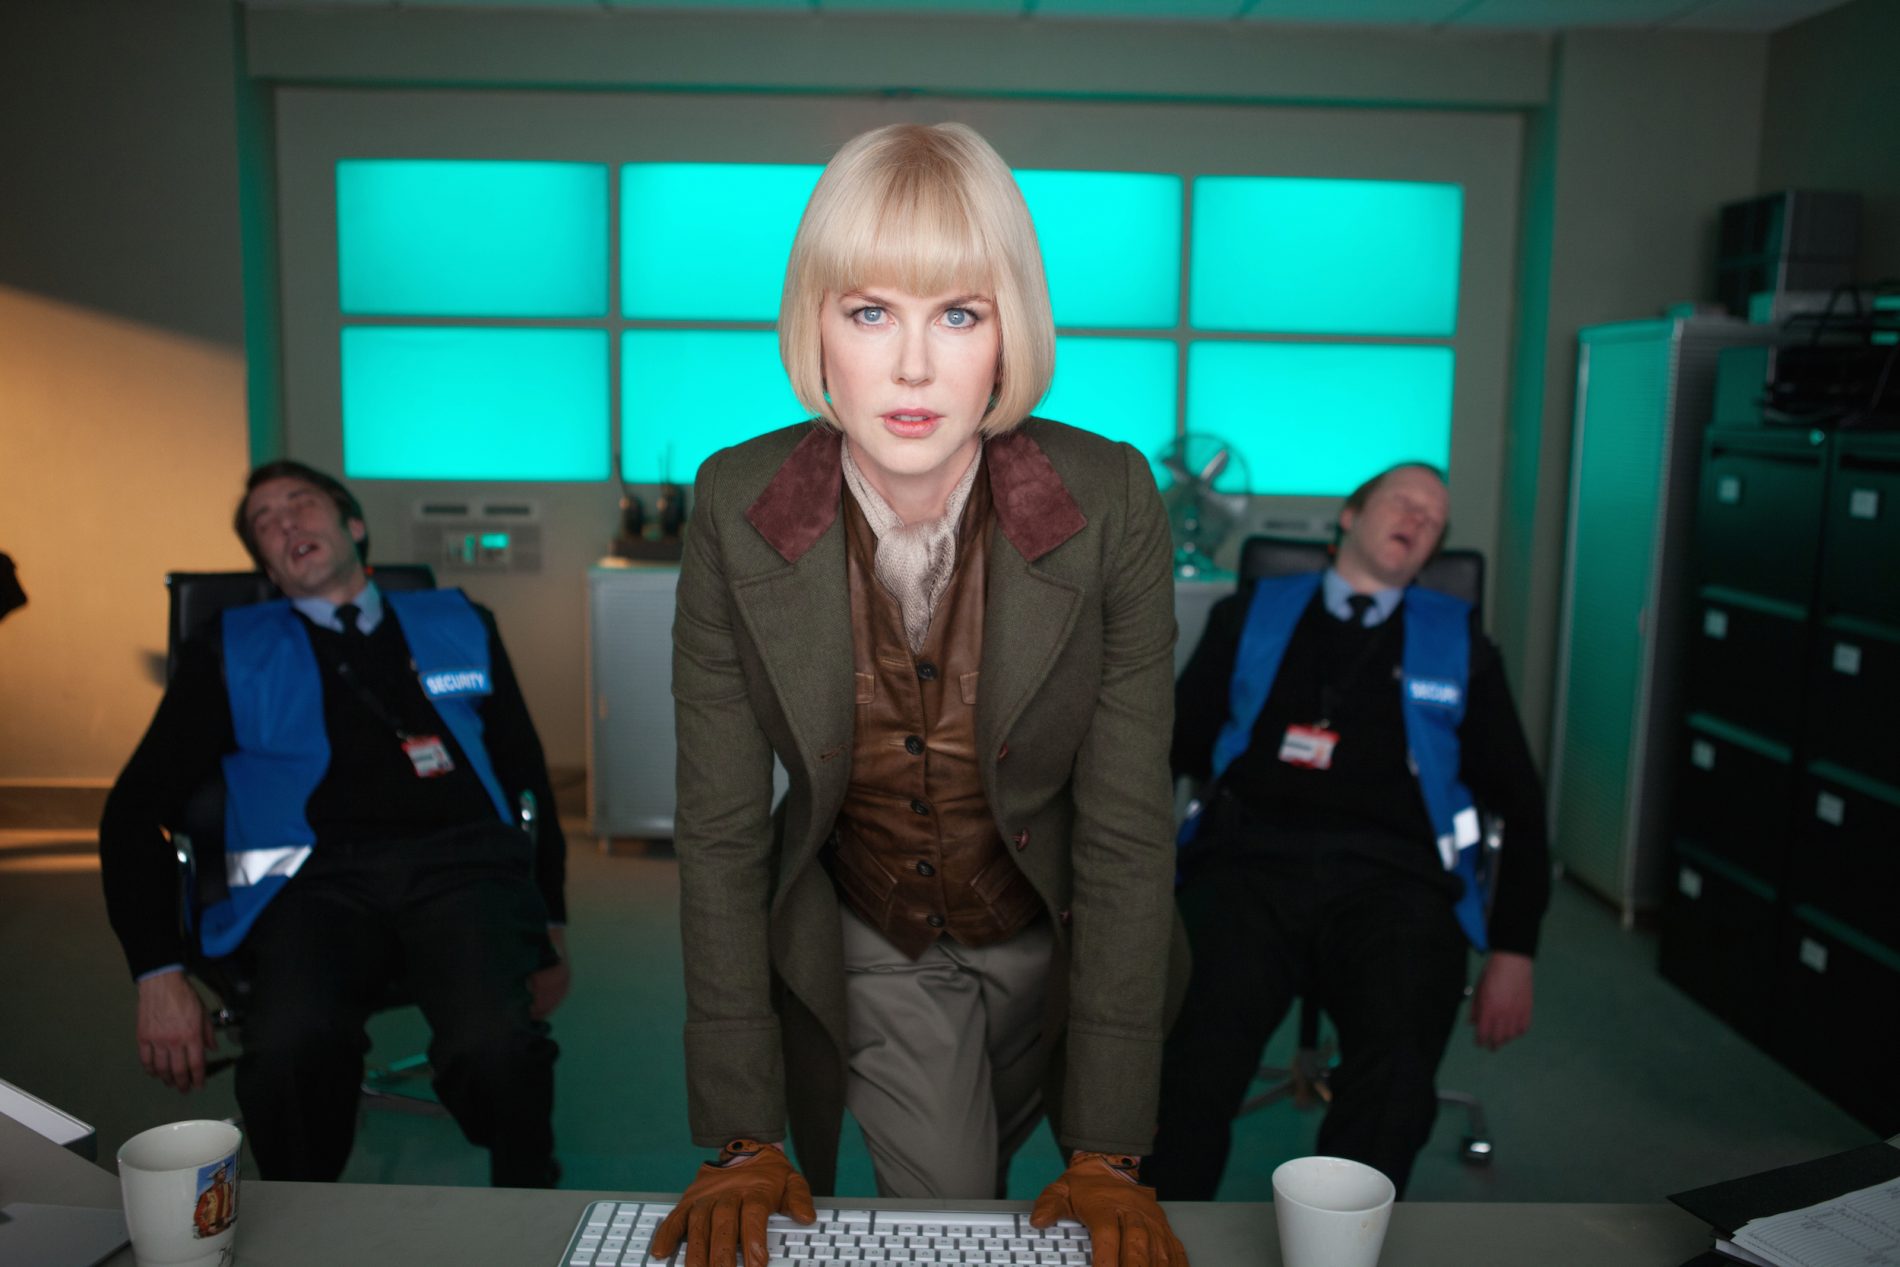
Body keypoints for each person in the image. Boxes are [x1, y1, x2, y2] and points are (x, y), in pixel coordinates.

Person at [657, 122, 1187, 1267]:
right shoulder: (733, 504)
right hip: (875, 936)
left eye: (957, 314)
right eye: (868, 313)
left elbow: (1129, 830)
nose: (911, 367)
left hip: (1062, 922)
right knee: (950, 1208)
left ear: (1010, 331)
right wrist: (743, 1130)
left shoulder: (1111, 499)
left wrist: (1108, 1147)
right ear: (815, 326)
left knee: (1087, 1178)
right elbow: (718, 831)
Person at [99, 459, 569, 1187]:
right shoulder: (230, 649)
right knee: (290, 1048)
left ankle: (530, 1190)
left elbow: (525, 774)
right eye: (265, 522)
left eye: (302, 503)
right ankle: (303, 1214)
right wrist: (157, 971)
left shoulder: (460, 623)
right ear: (268, 565)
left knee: (496, 1049)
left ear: (353, 525)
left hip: (463, 870)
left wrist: (551, 920)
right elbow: (131, 812)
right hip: (312, 885)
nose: (286, 521)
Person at [1146, 462, 1550, 1200]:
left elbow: (1520, 802)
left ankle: (1340, 1238)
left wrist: (1514, 949)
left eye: (1434, 520)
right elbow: (1168, 752)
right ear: (1350, 516)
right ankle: (1161, 1228)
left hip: (1396, 880)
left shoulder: (1458, 643)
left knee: (1396, 1068)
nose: (1418, 519)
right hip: (1249, 864)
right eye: (1404, 502)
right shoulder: (1250, 615)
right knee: (1192, 1058)